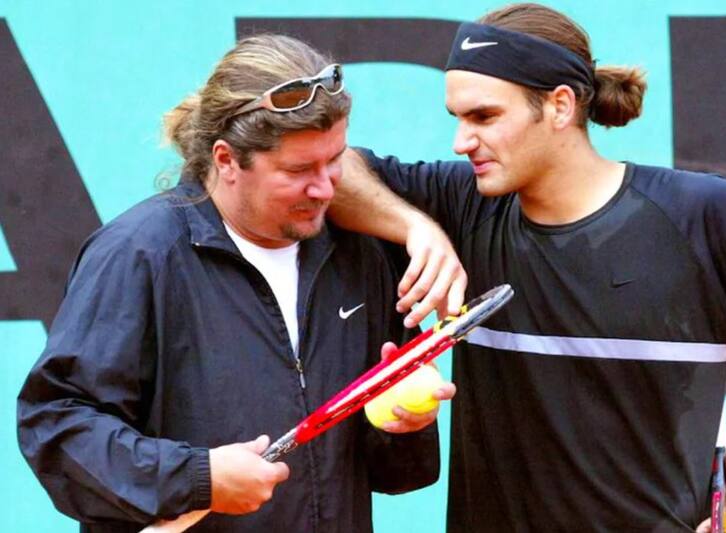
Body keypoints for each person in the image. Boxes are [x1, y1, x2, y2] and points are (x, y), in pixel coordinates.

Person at [328, 3, 726, 532]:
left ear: (559, 106)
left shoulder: (701, 218)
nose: (462, 141)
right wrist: (416, 227)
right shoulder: (461, 204)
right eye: (457, 119)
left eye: (484, 117)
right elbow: (334, 170)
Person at [17, 34, 450, 533]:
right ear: (225, 160)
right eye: (298, 170)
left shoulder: (359, 252)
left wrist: (402, 429)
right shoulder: (137, 254)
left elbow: (390, 474)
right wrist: (198, 478)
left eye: (335, 161)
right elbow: (57, 425)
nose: (326, 187)